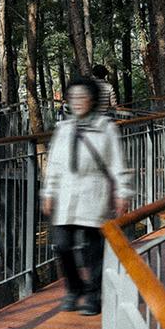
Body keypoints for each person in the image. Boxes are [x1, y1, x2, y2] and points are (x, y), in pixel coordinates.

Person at [41, 77, 134, 316]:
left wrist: (123, 192)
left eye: (82, 97)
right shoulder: (64, 128)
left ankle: (93, 295)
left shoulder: (105, 128)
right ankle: (74, 288)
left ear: (92, 100)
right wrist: (48, 191)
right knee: (62, 245)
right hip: (66, 194)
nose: (77, 102)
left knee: (93, 250)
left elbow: (117, 164)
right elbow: (54, 164)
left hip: (94, 192)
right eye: (73, 98)